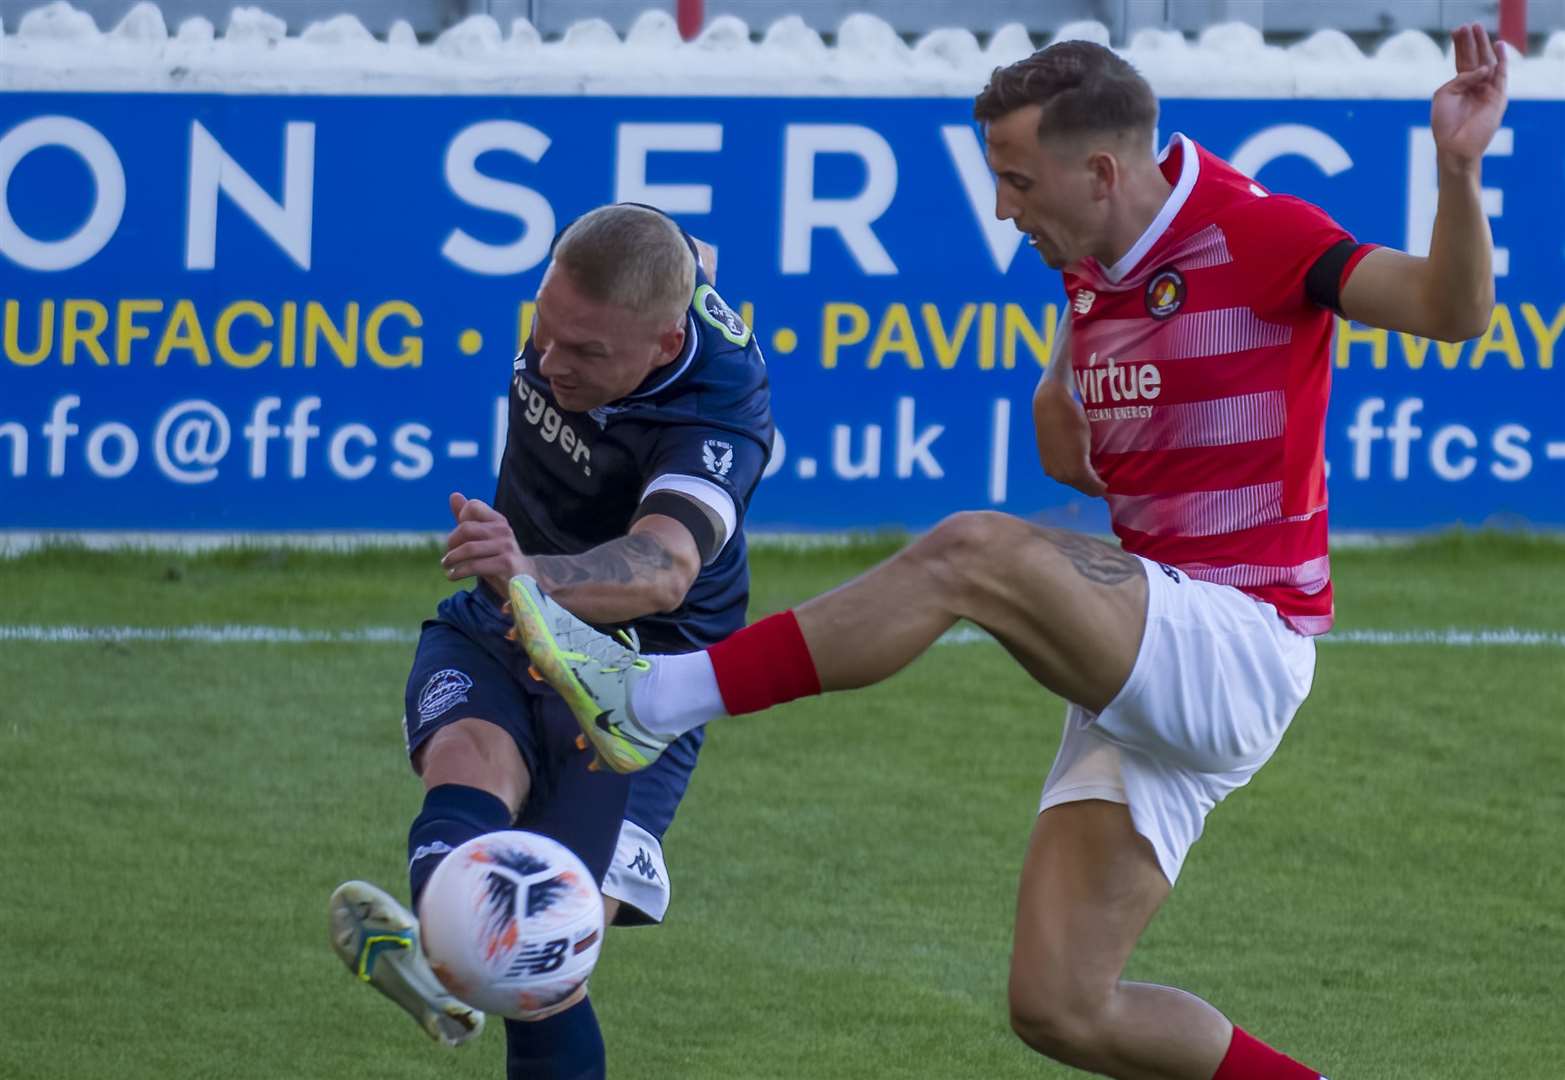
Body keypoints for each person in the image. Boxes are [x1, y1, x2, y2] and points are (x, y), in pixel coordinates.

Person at [508, 27, 1506, 1080]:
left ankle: (653, 699)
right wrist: (1060, 395)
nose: (1001, 207)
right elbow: (1086, 464)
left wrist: (1453, 168)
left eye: (1017, 180)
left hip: (1238, 640)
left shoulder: (1254, 232)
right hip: (1148, 656)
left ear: (1102, 171)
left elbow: (1452, 313)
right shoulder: (1090, 265)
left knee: (969, 552)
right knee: (1060, 1006)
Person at [328, 203, 773, 1079]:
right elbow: (683, 247)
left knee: (547, 959)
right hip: (500, 626)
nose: (549, 362)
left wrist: (529, 568)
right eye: (544, 331)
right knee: (464, 762)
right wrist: (517, 586)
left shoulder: (717, 418)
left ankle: (457, 963)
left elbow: (663, 566)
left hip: (634, 684)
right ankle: (451, 958)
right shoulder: (654, 263)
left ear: (663, 339)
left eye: (586, 353)